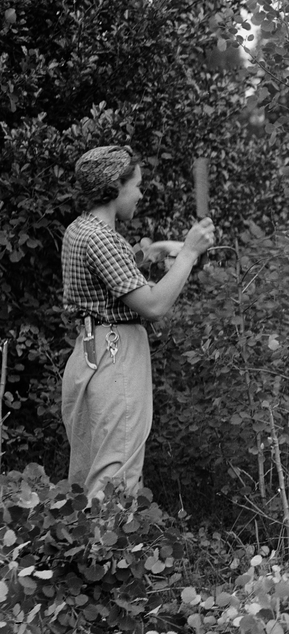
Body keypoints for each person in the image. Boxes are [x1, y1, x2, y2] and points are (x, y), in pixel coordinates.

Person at [61, 145, 214, 497]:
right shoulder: (104, 239)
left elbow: (105, 283)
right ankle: (111, 551)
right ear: (115, 187)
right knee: (117, 476)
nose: (141, 194)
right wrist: (189, 252)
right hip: (116, 356)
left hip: (88, 353)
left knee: (88, 473)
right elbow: (154, 305)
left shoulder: (78, 230)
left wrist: (151, 252)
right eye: (137, 185)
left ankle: (86, 547)